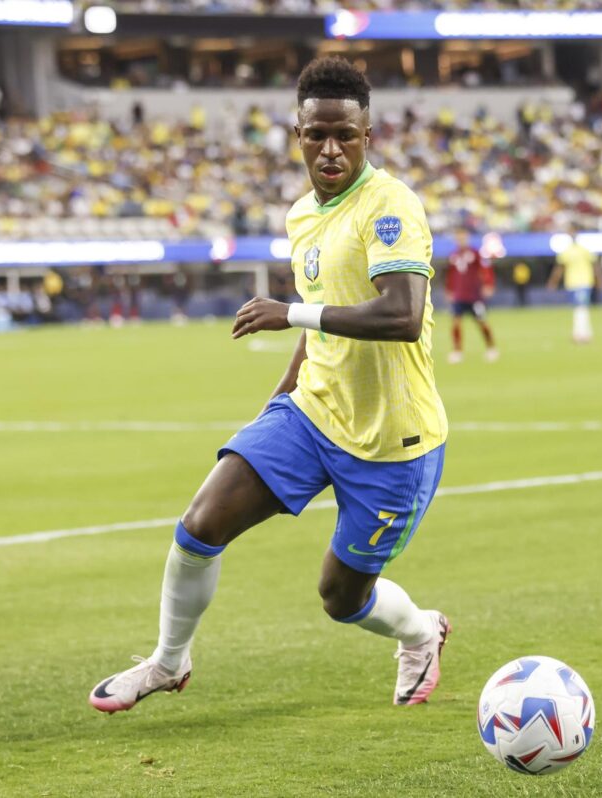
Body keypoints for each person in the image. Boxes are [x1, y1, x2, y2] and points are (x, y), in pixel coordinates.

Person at [90, 57, 450, 713]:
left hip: (393, 442)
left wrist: (289, 313)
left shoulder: (391, 206)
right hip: (312, 412)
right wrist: (284, 390)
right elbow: (323, 309)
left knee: (340, 598)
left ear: (369, 134)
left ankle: (422, 632)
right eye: (317, 135)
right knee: (200, 523)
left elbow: (401, 315)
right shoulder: (301, 216)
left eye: (345, 134)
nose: (331, 149)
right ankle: (168, 662)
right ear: (298, 134)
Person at [444, 228, 498, 363]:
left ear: (467, 237)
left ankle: (491, 347)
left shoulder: (475, 253)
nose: (460, 239)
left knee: (481, 322)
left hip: (474, 295)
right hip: (459, 295)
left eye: (463, 236)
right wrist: (449, 289)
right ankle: (457, 351)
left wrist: (488, 284)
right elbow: (451, 275)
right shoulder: (453, 255)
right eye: (458, 237)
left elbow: (485, 269)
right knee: (456, 322)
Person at [547, 232, 602, 344]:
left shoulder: (584, 250)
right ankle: (582, 333)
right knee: (579, 308)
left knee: (581, 308)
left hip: (583, 282)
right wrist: (553, 281)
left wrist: (600, 279)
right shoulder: (566, 251)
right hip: (572, 284)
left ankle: (582, 334)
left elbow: (595, 266)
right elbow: (560, 268)